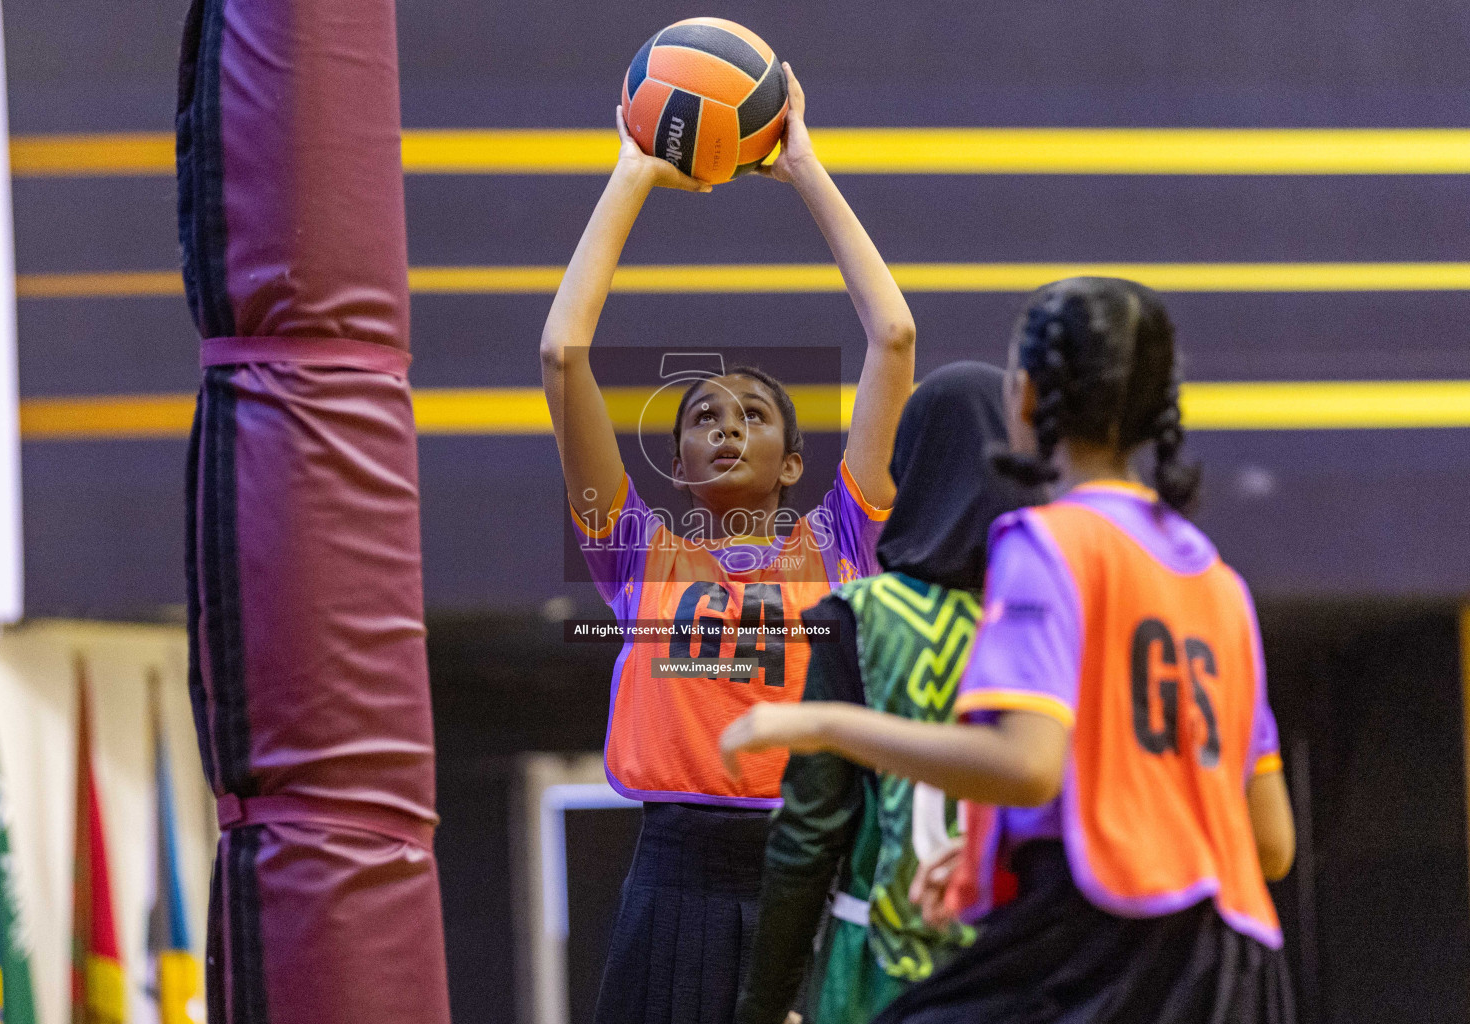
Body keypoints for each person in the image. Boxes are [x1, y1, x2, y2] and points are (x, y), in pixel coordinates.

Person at [722, 277, 1297, 1024]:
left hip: (1107, 952)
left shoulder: (1044, 545)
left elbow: (1026, 768)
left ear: (1024, 401)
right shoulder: (1216, 580)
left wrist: (822, 726)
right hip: (1238, 970)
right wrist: (982, 859)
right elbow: (1272, 841)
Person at [540, 64, 915, 1024]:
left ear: (796, 463)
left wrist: (806, 169)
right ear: (678, 462)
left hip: (812, 870)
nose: (728, 424)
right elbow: (561, 355)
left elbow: (895, 335)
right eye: (704, 414)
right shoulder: (637, 553)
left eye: (755, 413)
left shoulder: (840, 542)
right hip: (673, 882)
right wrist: (630, 174)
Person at [734, 362, 1044, 1024]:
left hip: (877, 974)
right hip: (1032, 967)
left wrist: (762, 1006)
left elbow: (808, 836)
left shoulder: (859, 616)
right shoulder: (1055, 613)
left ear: (913, 468)